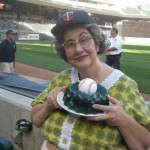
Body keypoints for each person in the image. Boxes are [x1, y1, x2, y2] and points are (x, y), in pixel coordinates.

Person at [31, 10, 150, 150]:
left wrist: (122, 120)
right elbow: (35, 120)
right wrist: (49, 106)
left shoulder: (125, 86)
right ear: (64, 51)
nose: (78, 49)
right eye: (69, 44)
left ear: (97, 43)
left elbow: (145, 144)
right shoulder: (62, 78)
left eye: (84, 39)